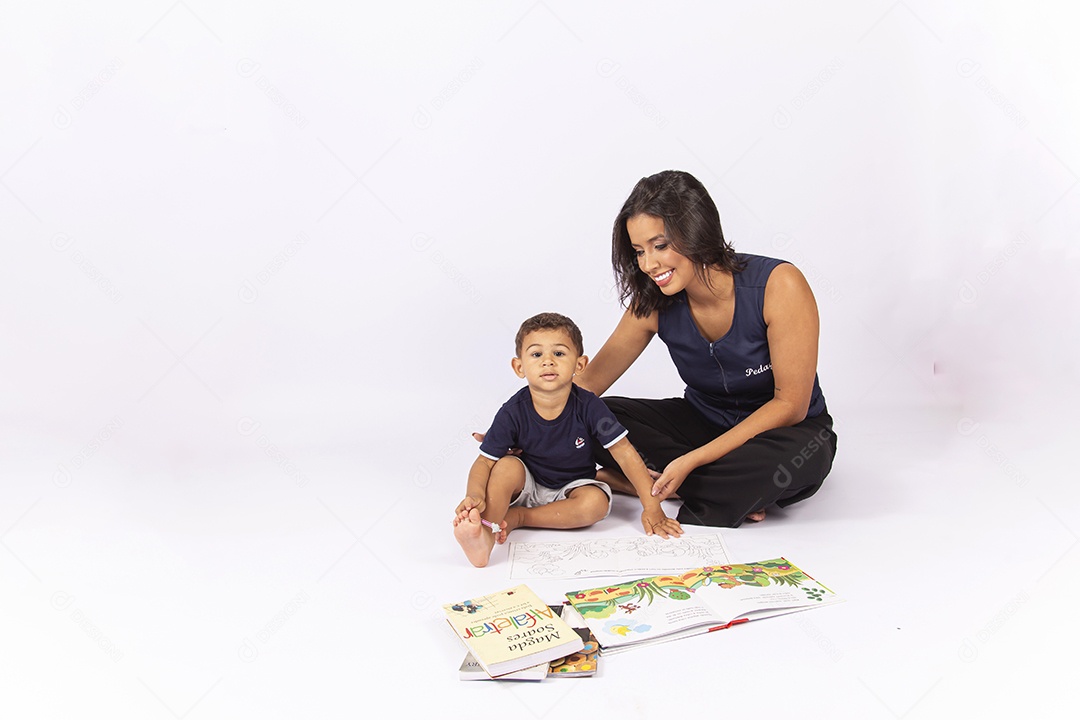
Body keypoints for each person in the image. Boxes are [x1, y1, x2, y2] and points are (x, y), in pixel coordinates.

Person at [576, 170, 837, 528]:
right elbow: (588, 385)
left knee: (796, 461)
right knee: (594, 415)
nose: (649, 264)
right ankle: (722, 490)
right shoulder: (652, 302)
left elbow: (791, 406)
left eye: (661, 245)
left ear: (696, 230)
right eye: (639, 251)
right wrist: (518, 427)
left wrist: (692, 460)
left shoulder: (780, 285)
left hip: (783, 434)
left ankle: (656, 481)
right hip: (704, 421)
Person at [454, 312, 683, 568]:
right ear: (519, 367)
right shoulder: (513, 410)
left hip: (575, 484)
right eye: (537, 354)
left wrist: (651, 506)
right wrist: (474, 495)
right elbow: (485, 462)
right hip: (529, 481)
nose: (548, 362)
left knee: (594, 504)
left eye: (559, 354)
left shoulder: (589, 406)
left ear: (580, 364)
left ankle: (520, 517)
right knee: (505, 466)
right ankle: (485, 534)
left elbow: (625, 453)